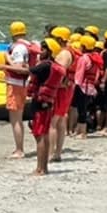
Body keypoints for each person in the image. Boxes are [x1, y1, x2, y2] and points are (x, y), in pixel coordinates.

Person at [28, 39, 68, 175]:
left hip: (40, 103)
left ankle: (40, 169)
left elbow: (27, 71)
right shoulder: (56, 67)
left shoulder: (45, 66)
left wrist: (5, 67)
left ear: (50, 51)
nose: (41, 51)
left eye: (44, 49)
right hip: (47, 103)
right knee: (43, 135)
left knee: (40, 136)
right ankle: (43, 168)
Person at [0, 21, 34, 158]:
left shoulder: (19, 48)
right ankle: (19, 148)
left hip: (16, 85)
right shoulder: (28, 45)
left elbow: (20, 69)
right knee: (17, 118)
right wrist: (8, 57)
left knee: (16, 119)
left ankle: (19, 150)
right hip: (22, 84)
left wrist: (5, 66)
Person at [50, 37, 76, 162]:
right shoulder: (69, 51)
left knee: (53, 122)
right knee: (60, 121)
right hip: (67, 89)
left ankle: (51, 153)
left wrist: (54, 85)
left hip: (61, 90)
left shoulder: (64, 54)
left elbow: (60, 72)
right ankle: (57, 153)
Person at [70, 35, 99, 139]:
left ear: (83, 46)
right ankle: (79, 131)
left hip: (82, 86)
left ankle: (82, 133)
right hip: (90, 87)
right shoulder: (95, 57)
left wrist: (76, 84)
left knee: (81, 110)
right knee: (84, 109)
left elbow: (79, 73)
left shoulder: (83, 58)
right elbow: (97, 74)